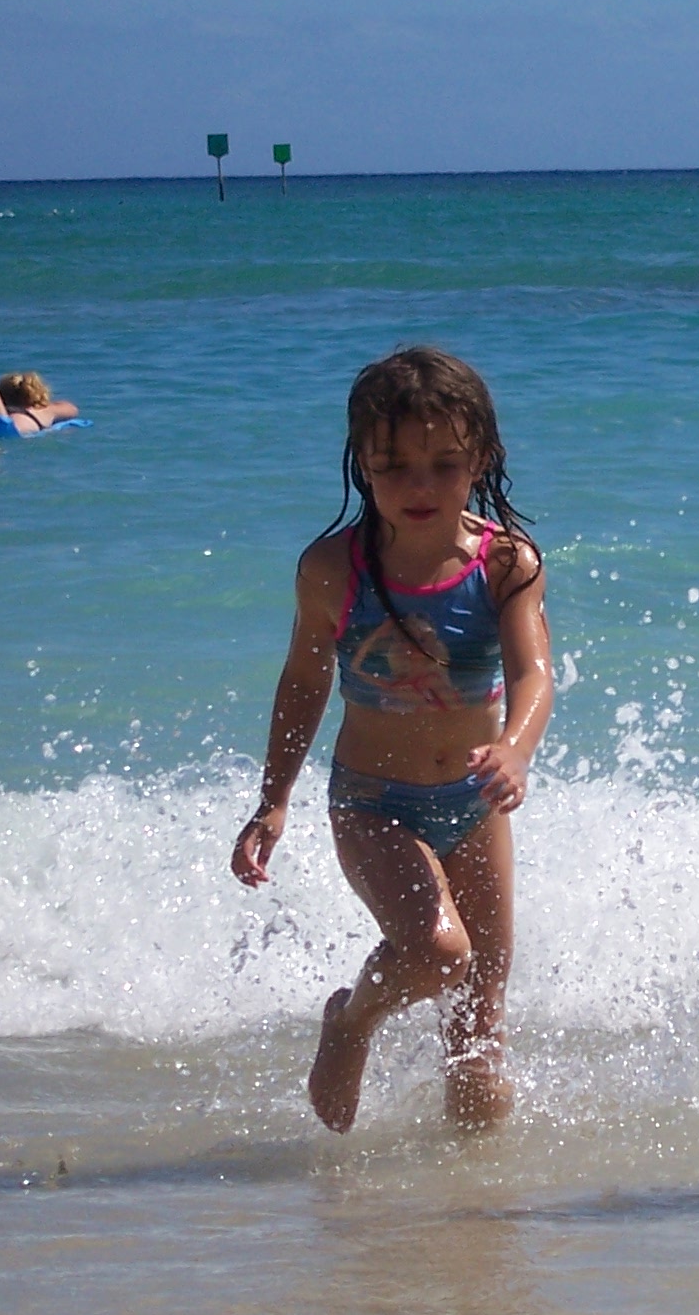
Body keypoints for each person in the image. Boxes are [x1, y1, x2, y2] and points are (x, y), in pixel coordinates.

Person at [231, 347, 551, 1134]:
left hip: (475, 806)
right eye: (393, 465)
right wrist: (274, 801)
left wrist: (514, 746)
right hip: (375, 802)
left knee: (479, 1029)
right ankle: (350, 1023)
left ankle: (469, 1216)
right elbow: (304, 682)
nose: (418, 486)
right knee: (441, 953)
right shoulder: (334, 569)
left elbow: (535, 673)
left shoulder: (507, 563)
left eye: (444, 465)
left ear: (480, 458)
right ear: (360, 464)